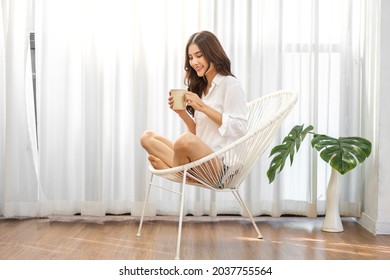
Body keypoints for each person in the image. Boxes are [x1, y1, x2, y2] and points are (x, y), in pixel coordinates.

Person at [140, 31, 247, 181]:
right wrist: (181, 112)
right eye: (190, 58)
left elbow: (241, 128)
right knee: (147, 137)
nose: (194, 62)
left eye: (199, 55)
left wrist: (203, 107)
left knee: (185, 140)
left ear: (212, 54)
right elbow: (199, 133)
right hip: (199, 160)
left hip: (222, 166)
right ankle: (184, 173)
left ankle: (175, 172)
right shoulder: (202, 88)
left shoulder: (230, 84)